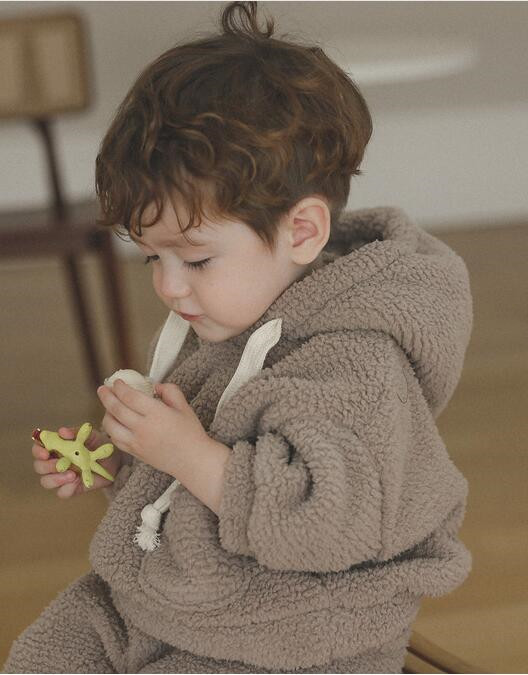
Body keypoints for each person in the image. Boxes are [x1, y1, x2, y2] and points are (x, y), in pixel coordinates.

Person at [4, 2, 474, 673]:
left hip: (288, 640)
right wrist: (122, 461)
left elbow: (324, 518)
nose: (169, 286)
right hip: (176, 600)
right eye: (152, 257)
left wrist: (186, 454)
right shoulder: (235, 313)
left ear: (302, 231)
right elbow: (205, 465)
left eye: (195, 260)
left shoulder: (355, 365)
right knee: (46, 655)